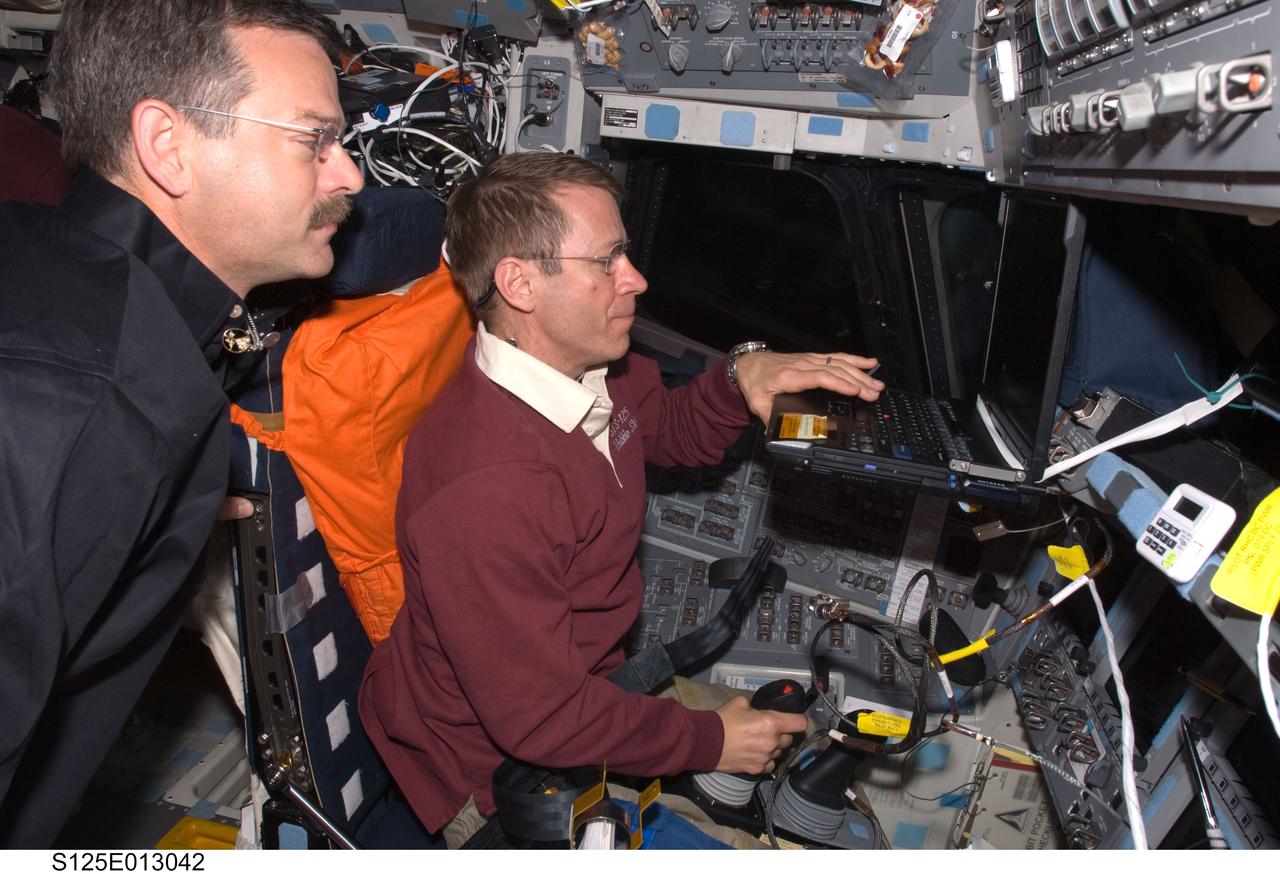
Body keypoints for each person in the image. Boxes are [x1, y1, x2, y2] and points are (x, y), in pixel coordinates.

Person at [359, 152, 885, 847]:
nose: (634, 279)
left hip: (583, 687)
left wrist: (740, 375)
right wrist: (709, 743)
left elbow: (669, 433)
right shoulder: (485, 491)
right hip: (489, 771)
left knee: (797, 729)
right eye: (605, 262)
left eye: (626, 254)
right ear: (520, 284)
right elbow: (540, 720)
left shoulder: (595, 365)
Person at [0, 0, 364, 847]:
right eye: (315, 139)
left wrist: (163, 513)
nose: (347, 175)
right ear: (168, 146)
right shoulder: (83, 407)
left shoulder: (61, 267)